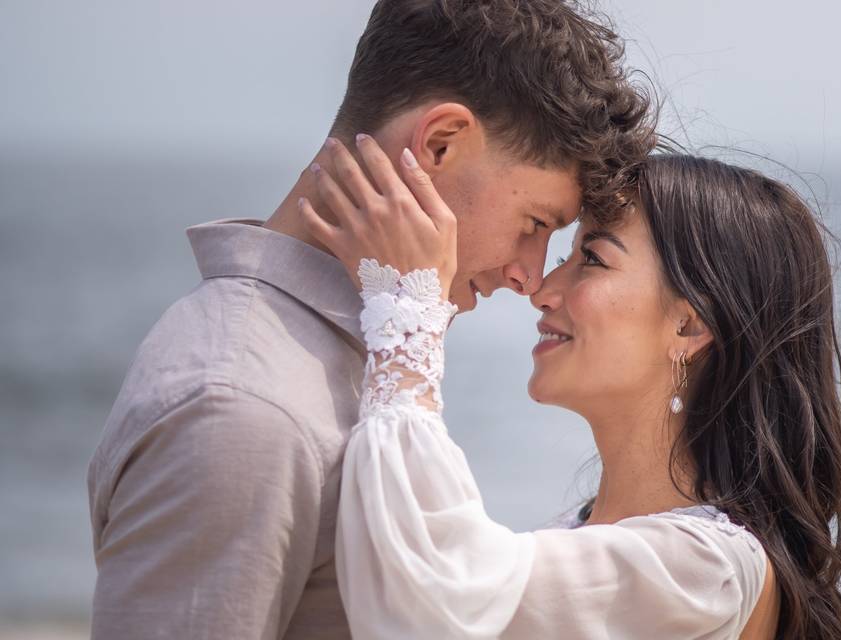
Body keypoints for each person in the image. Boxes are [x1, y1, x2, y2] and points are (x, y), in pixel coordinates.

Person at [86, 1, 652, 638]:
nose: (528, 276)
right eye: (536, 224)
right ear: (440, 144)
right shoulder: (242, 406)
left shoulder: (343, 360)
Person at [298, 136, 841, 639]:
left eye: (591, 259)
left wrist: (407, 311)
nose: (541, 289)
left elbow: (429, 600)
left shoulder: (706, 571)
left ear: (689, 325)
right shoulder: (581, 534)